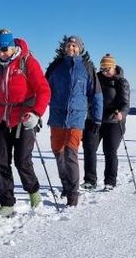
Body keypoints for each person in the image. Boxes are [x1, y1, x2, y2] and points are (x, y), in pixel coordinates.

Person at [0, 29, 51, 217]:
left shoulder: (27, 62)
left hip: (24, 116)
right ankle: (7, 203)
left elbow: (44, 90)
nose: (1, 53)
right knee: (1, 161)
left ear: (13, 47)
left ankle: (33, 192)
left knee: (22, 160)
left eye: (4, 49)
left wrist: (36, 113)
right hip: (2, 117)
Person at [45, 35, 103, 206]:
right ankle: (66, 185)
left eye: (74, 46)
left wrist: (97, 118)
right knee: (58, 152)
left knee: (71, 153)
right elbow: (44, 89)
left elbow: (96, 94)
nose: (71, 48)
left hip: (77, 117)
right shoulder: (56, 66)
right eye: (69, 45)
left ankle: (73, 194)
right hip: (57, 116)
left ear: (80, 48)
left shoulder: (87, 67)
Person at [82, 54, 130, 191]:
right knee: (89, 148)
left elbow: (126, 103)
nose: (105, 71)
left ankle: (110, 181)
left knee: (109, 150)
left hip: (114, 120)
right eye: (102, 68)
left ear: (113, 67)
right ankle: (90, 181)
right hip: (94, 118)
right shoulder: (96, 78)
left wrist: (122, 113)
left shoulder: (121, 82)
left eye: (107, 68)